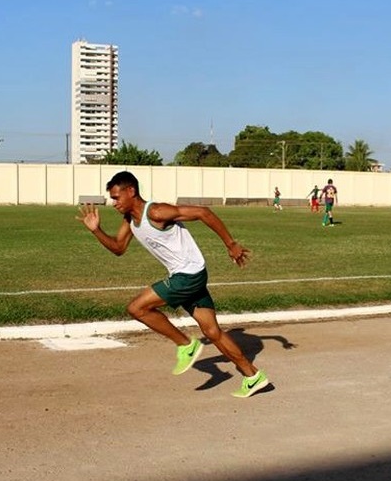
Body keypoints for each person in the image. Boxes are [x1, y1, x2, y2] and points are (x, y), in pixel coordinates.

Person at [76, 170, 270, 398]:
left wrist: (231, 244)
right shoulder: (130, 221)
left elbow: (203, 212)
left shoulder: (157, 211)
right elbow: (118, 248)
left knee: (137, 308)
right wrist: (96, 230)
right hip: (190, 276)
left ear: (131, 191)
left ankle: (185, 344)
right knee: (212, 331)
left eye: (117, 197)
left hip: (188, 276)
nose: (113, 203)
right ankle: (252, 375)